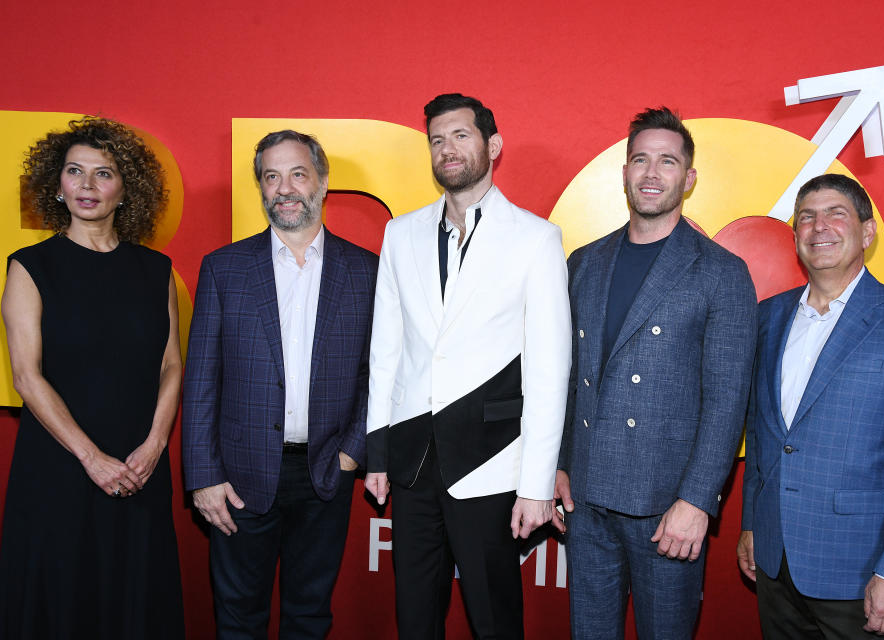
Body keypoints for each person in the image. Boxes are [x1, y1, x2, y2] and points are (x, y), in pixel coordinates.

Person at [364, 93, 571, 639]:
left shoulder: (536, 239)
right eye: (437, 139)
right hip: (411, 463)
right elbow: (385, 351)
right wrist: (378, 453)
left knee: (494, 618)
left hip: (491, 460)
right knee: (415, 617)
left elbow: (550, 372)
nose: (447, 148)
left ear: (492, 146)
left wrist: (536, 484)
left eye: (461, 135)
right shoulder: (399, 234)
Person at [555, 107, 758, 639]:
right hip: (587, 498)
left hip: (667, 509)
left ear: (688, 178)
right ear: (623, 172)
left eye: (667, 161)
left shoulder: (722, 271)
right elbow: (566, 376)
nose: (652, 172)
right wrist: (556, 464)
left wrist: (696, 501)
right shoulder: (584, 262)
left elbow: (727, 400)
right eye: (640, 159)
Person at [737, 174, 884, 639]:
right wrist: (754, 524)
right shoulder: (768, 316)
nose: (820, 228)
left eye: (836, 214)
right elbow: (762, 433)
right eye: (807, 217)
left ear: (867, 232)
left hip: (862, 572)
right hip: (776, 568)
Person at [182, 130, 376, 639]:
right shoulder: (224, 269)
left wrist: (352, 454)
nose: (284, 188)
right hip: (239, 480)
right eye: (271, 177)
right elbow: (201, 380)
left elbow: (378, 375)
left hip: (325, 474)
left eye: (297, 174)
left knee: (309, 617)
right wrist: (203, 476)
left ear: (322, 181)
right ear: (261, 188)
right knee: (238, 619)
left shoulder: (367, 271)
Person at [0, 117, 184, 638]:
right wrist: (90, 457)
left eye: (102, 173)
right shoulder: (30, 267)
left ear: (126, 189)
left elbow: (171, 364)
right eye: (74, 171)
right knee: (63, 598)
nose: (86, 185)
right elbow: (26, 376)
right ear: (56, 184)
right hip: (59, 467)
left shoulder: (156, 270)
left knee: (134, 595)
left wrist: (153, 446)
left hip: (138, 466)